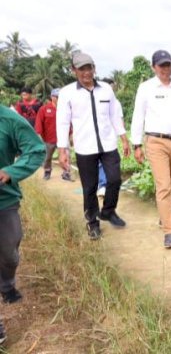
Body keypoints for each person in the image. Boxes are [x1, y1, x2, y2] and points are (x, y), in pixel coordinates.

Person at [56, 52, 130, 240]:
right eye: (82, 69)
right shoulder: (67, 93)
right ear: (74, 70)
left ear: (94, 68)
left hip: (108, 145)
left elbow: (114, 114)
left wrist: (123, 137)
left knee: (114, 180)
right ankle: (92, 222)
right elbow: (63, 122)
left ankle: (108, 211)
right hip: (84, 147)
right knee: (89, 188)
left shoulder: (106, 89)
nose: (87, 72)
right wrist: (62, 149)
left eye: (89, 68)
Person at [130, 50, 171, 248]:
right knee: (164, 185)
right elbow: (138, 116)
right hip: (155, 141)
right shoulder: (146, 88)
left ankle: (164, 215)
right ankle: (169, 230)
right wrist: (136, 144)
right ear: (154, 67)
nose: (166, 69)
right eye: (161, 66)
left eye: (168, 65)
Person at [0, 104, 46, 344]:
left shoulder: (8, 119)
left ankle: (6, 283)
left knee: (9, 255)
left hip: (3, 200)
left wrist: (11, 171)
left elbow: (36, 149)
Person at [34, 88, 74, 181]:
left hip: (63, 139)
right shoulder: (44, 109)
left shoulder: (66, 109)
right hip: (49, 139)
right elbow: (39, 123)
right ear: (52, 97)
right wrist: (39, 135)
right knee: (47, 157)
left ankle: (66, 173)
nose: (59, 99)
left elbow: (70, 123)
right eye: (57, 97)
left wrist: (71, 136)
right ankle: (47, 171)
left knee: (67, 156)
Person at [97, 78, 124, 198]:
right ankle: (102, 185)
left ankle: (109, 184)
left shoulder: (116, 103)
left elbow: (120, 119)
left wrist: (123, 136)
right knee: (100, 163)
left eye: (111, 87)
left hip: (112, 137)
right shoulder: (95, 100)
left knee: (112, 162)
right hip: (98, 137)